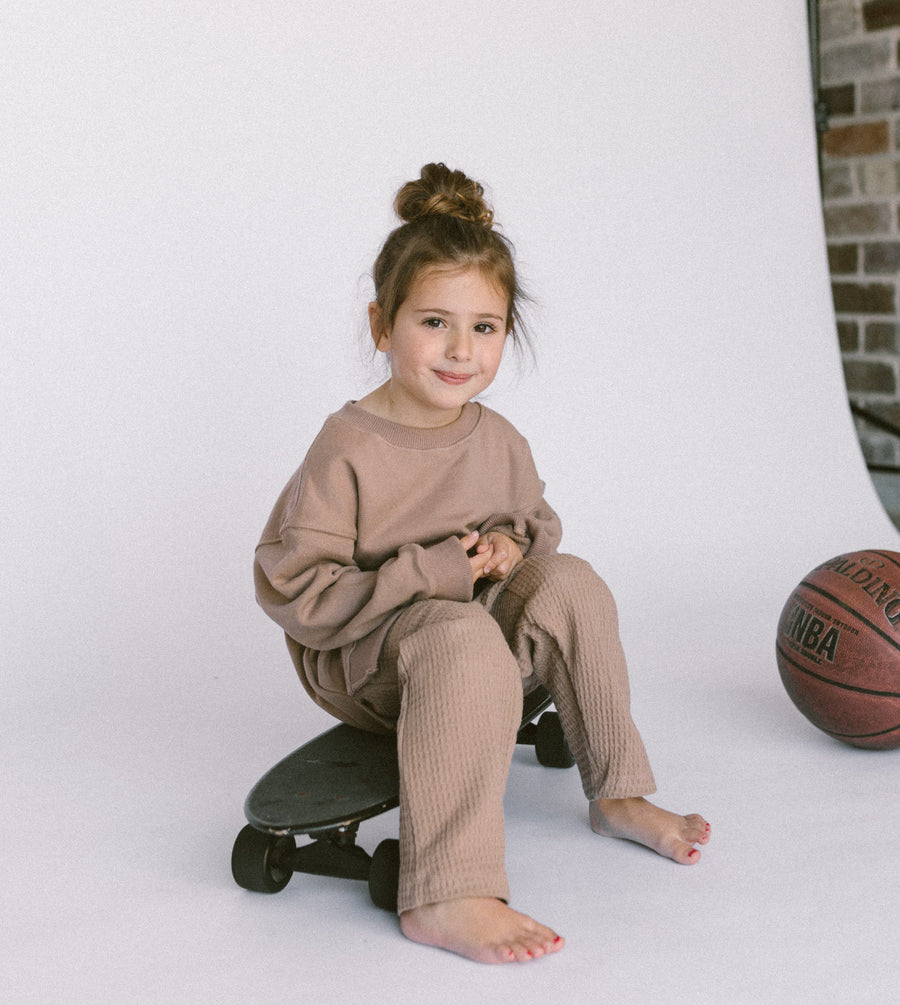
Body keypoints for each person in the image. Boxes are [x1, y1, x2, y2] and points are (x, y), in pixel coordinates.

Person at [253, 163, 710, 964]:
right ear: (381, 324)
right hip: (369, 660)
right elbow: (301, 593)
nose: (461, 350)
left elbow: (535, 527)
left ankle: (618, 792)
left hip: (475, 646)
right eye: (434, 322)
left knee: (571, 580)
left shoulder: (495, 437)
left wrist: (508, 551)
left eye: (486, 328)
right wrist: (432, 573)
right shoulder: (348, 447)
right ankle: (443, 889)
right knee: (458, 637)